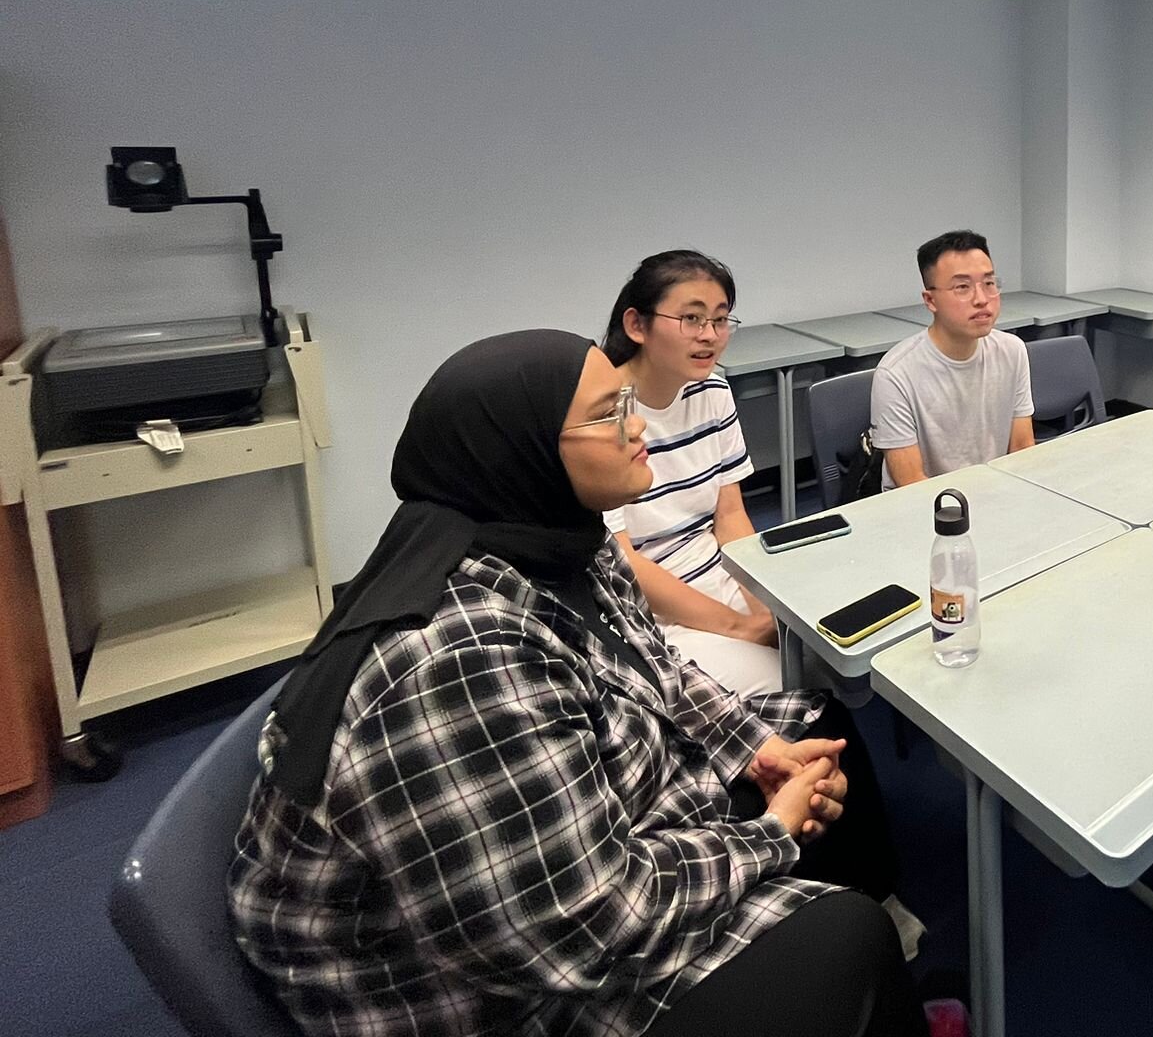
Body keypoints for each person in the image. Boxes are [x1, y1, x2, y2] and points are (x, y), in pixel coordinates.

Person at [229, 330, 926, 1037]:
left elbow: (662, 673)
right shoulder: (459, 659)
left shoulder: (568, 545)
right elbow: (581, 929)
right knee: (843, 935)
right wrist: (770, 834)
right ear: (522, 448)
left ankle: (869, 983)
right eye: (605, 413)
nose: (636, 425)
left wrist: (760, 751)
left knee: (811, 731)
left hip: (576, 843)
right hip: (481, 993)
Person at [600, 249, 779, 700]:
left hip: (716, 571)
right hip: (649, 607)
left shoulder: (713, 390)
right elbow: (625, 562)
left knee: (817, 645)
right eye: (691, 319)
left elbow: (731, 516)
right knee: (784, 678)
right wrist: (740, 626)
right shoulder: (605, 413)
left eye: (720, 320)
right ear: (637, 325)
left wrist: (765, 606)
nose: (710, 336)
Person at [871, 229, 1034, 489]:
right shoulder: (896, 374)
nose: (982, 299)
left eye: (989, 284)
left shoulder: (1012, 351)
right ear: (930, 300)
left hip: (998, 496)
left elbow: (1023, 449)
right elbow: (910, 483)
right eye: (962, 287)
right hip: (929, 509)